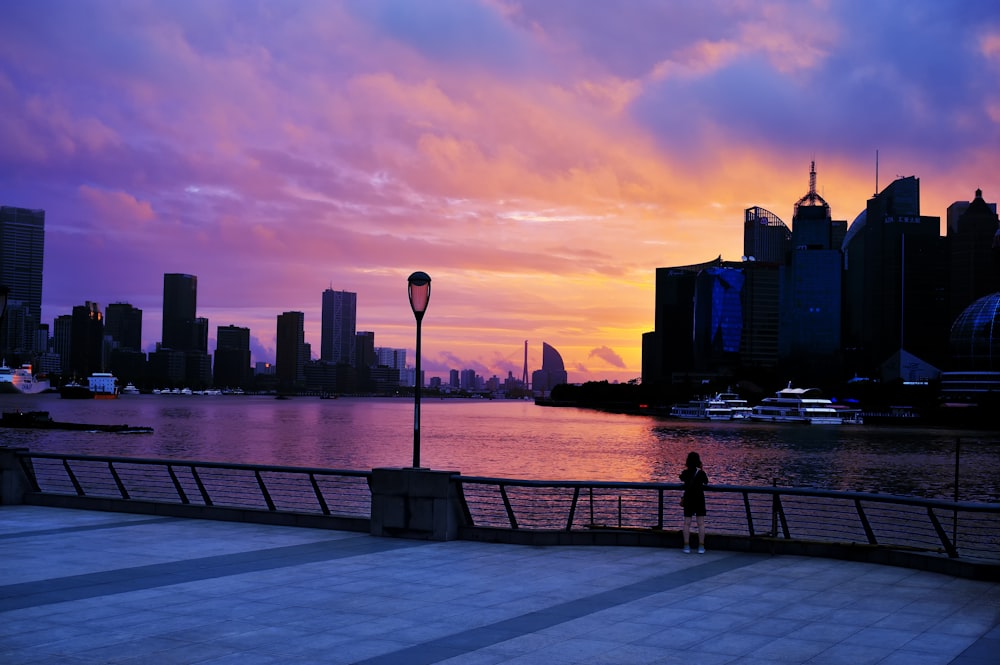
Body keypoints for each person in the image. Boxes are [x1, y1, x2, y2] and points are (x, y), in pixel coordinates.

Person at [680, 451, 708, 553]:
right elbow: (706, 481)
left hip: (688, 499)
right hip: (699, 499)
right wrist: (702, 469)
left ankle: (686, 546)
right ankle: (701, 546)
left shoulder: (685, 473)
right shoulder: (701, 473)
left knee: (687, 523)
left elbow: (681, 478)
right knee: (701, 524)